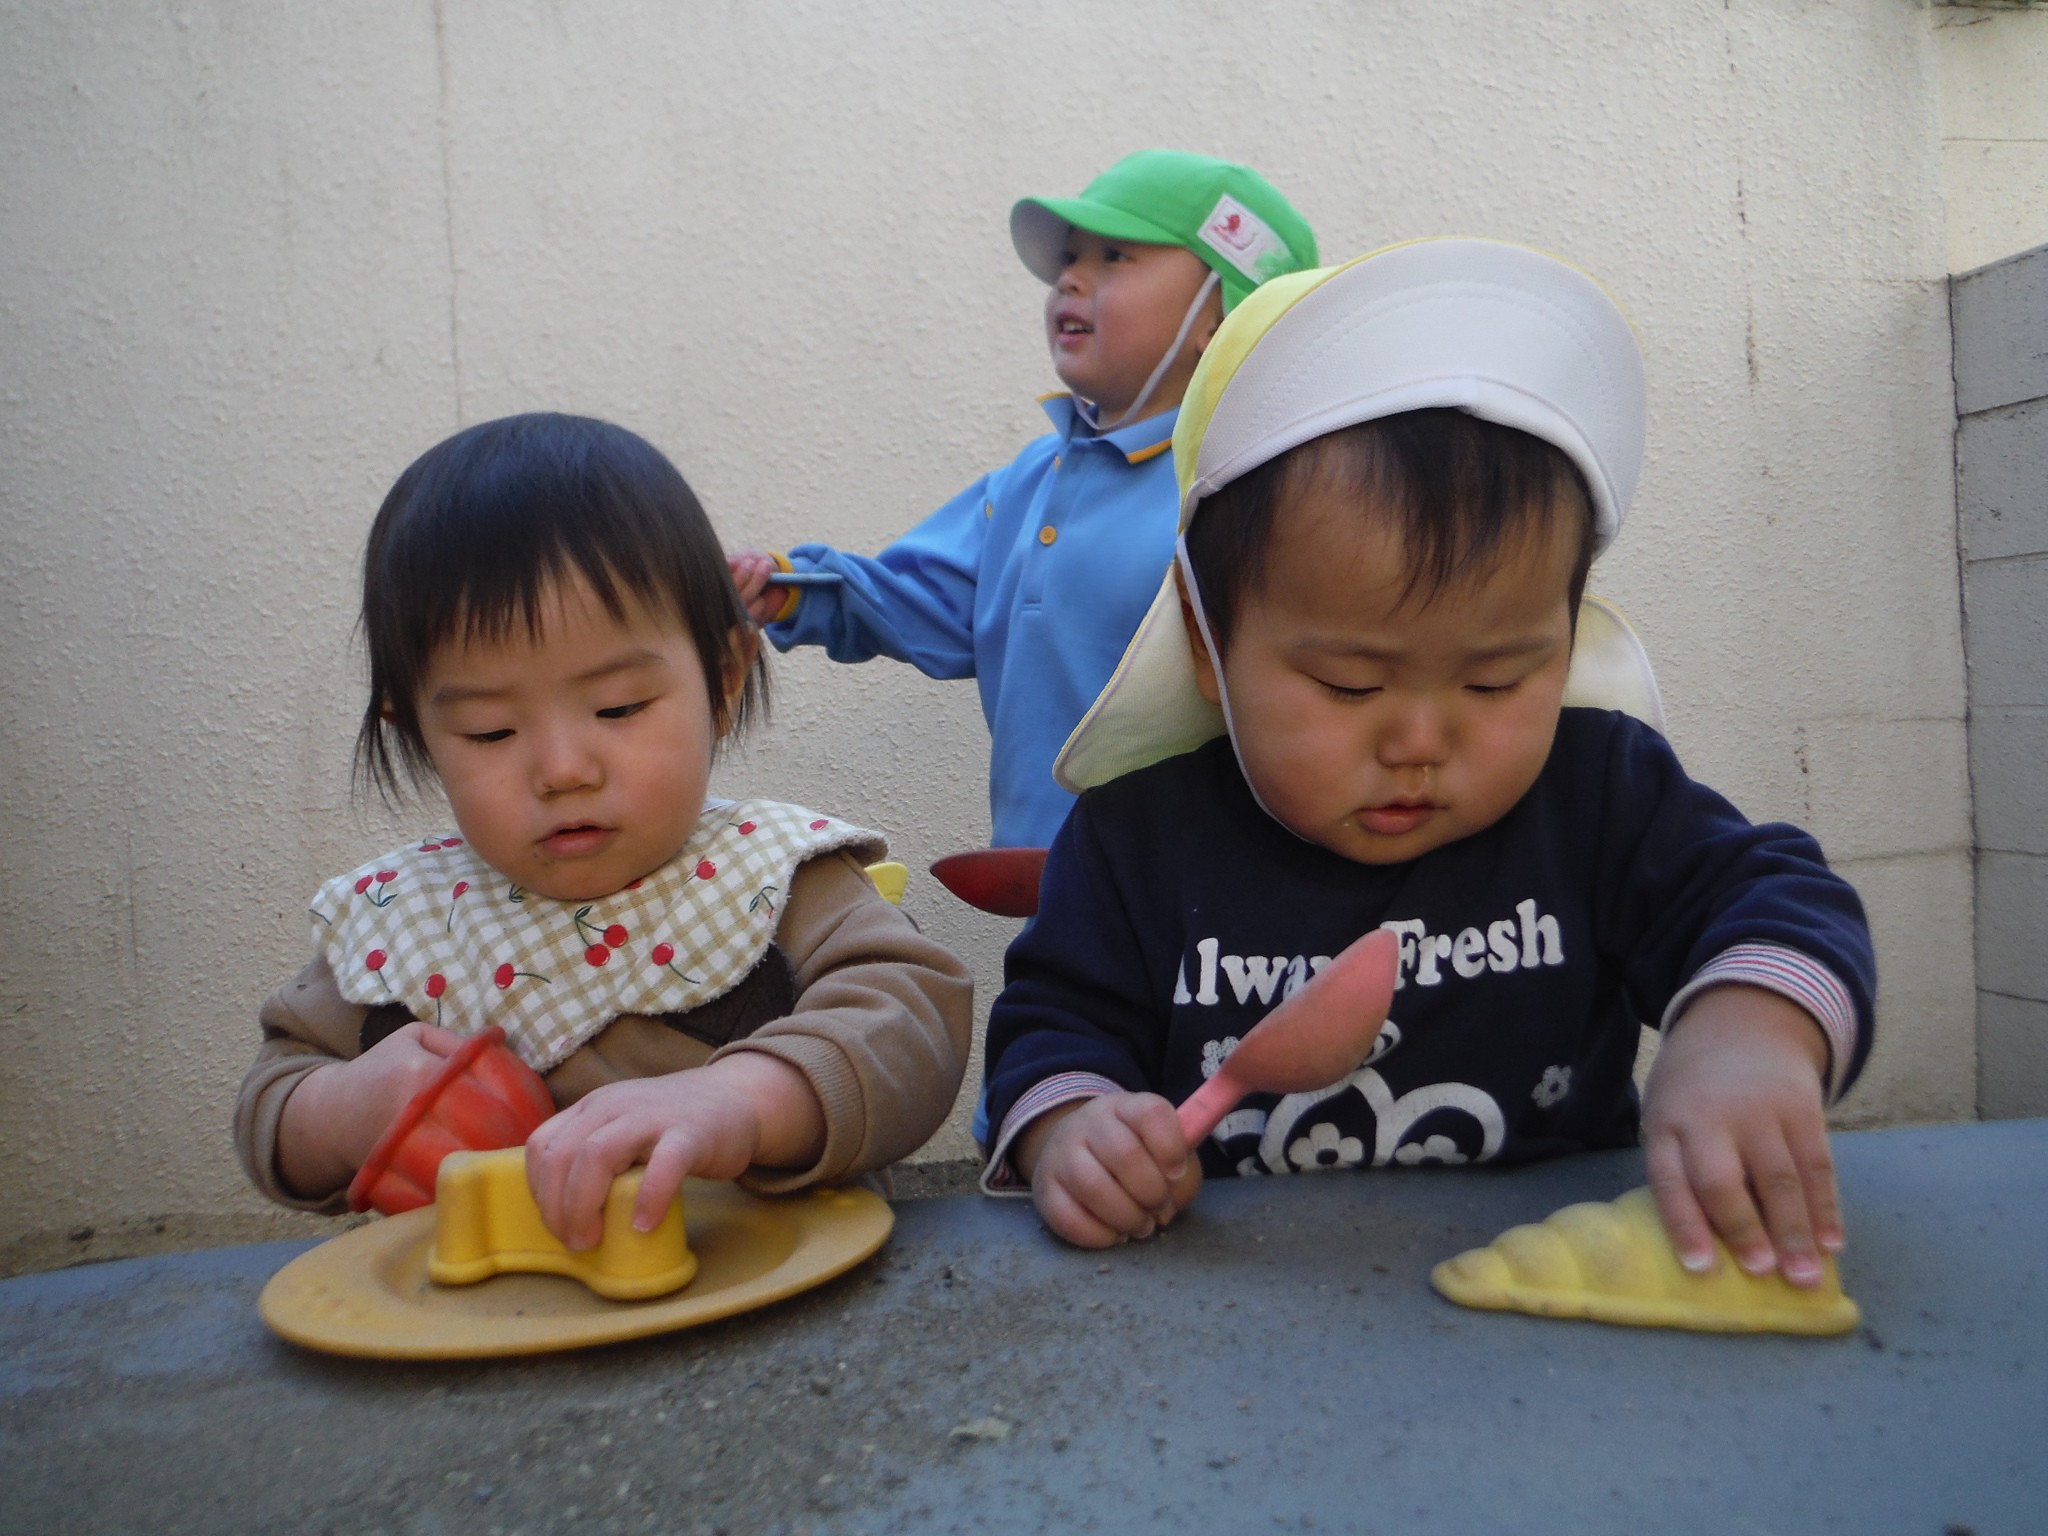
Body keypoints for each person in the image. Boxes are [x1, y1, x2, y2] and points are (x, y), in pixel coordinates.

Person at [978, 241, 1876, 1292]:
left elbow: (1774, 895)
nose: (1417, 741)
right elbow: (1052, 1024)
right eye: (1349, 685)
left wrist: (1746, 1031)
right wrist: (1076, 1128)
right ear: (1207, 638)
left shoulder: (1596, 798)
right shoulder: (1138, 839)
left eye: (1495, 681)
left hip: (1556, 1304)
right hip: (1235, 1309)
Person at [234, 413, 971, 1248]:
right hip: (486, 1315)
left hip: (780, 1293)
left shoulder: (775, 878)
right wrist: (343, 1108)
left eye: (618, 708)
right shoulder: (400, 928)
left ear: (724, 679)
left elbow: (915, 1024)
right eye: (489, 732)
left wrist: (747, 1099)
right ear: (421, 735)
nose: (563, 769)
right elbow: (272, 1098)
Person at [729, 149, 1317, 848]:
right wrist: (791, 589)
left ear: (1220, 315)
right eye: (1070, 256)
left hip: (1198, 888)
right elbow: (920, 598)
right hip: (1038, 882)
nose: (1069, 277)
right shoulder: (1029, 481)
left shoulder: (1244, 487)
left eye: (1114, 256)